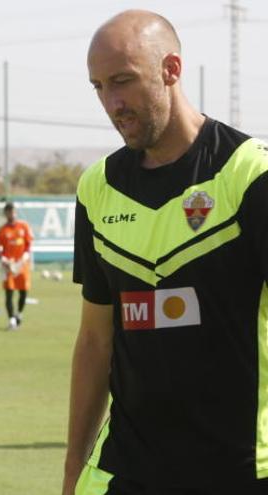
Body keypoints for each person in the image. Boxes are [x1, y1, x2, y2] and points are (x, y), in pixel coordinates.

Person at [64, 10, 268, 494]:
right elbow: (95, 342)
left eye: (123, 81)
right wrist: (73, 470)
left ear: (171, 69)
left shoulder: (248, 176)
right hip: (128, 472)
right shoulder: (98, 187)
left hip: (240, 468)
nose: (112, 103)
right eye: (98, 87)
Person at [0, 202, 33, 330]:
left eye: (13, 211)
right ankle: (11, 320)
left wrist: (25, 256)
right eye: (9, 211)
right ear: (5, 213)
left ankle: (19, 314)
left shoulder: (24, 226)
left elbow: (29, 244)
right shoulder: (2, 230)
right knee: (9, 292)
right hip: (8, 267)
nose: (11, 213)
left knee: (23, 292)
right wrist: (3, 259)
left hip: (22, 265)